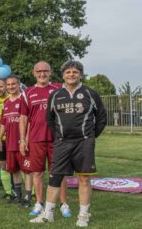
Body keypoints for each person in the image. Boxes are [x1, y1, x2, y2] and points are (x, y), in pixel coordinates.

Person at [30, 61, 106, 227]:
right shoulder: (55, 95)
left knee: (84, 178)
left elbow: (101, 118)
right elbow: (50, 119)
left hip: (84, 143)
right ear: (63, 75)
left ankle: (83, 215)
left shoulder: (90, 93)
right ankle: (47, 214)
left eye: (75, 72)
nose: (71, 74)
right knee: (55, 177)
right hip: (62, 143)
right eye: (68, 72)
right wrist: (59, 135)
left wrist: (91, 136)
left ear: (80, 74)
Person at [19, 61, 70, 216]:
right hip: (35, 139)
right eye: (39, 71)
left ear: (50, 72)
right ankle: (39, 203)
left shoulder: (59, 89)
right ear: (34, 73)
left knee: (58, 172)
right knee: (37, 173)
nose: (42, 74)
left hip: (57, 139)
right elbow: (23, 118)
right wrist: (22, 139)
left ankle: (63, 204)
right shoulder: (27, 92)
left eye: (45, 71)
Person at [0, 75, 31, 204]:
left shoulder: (24, 99)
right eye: (9, 85)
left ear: (19, 84)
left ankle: (28, 196)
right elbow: (3, 123)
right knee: (14, 170)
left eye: (13, 84)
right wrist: (0, 139)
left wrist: (26, 139)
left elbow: (29, 122)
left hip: (22, 142)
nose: (11, 87)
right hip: (10, 143)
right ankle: (18, 195)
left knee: (27, 171)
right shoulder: (6, 102)